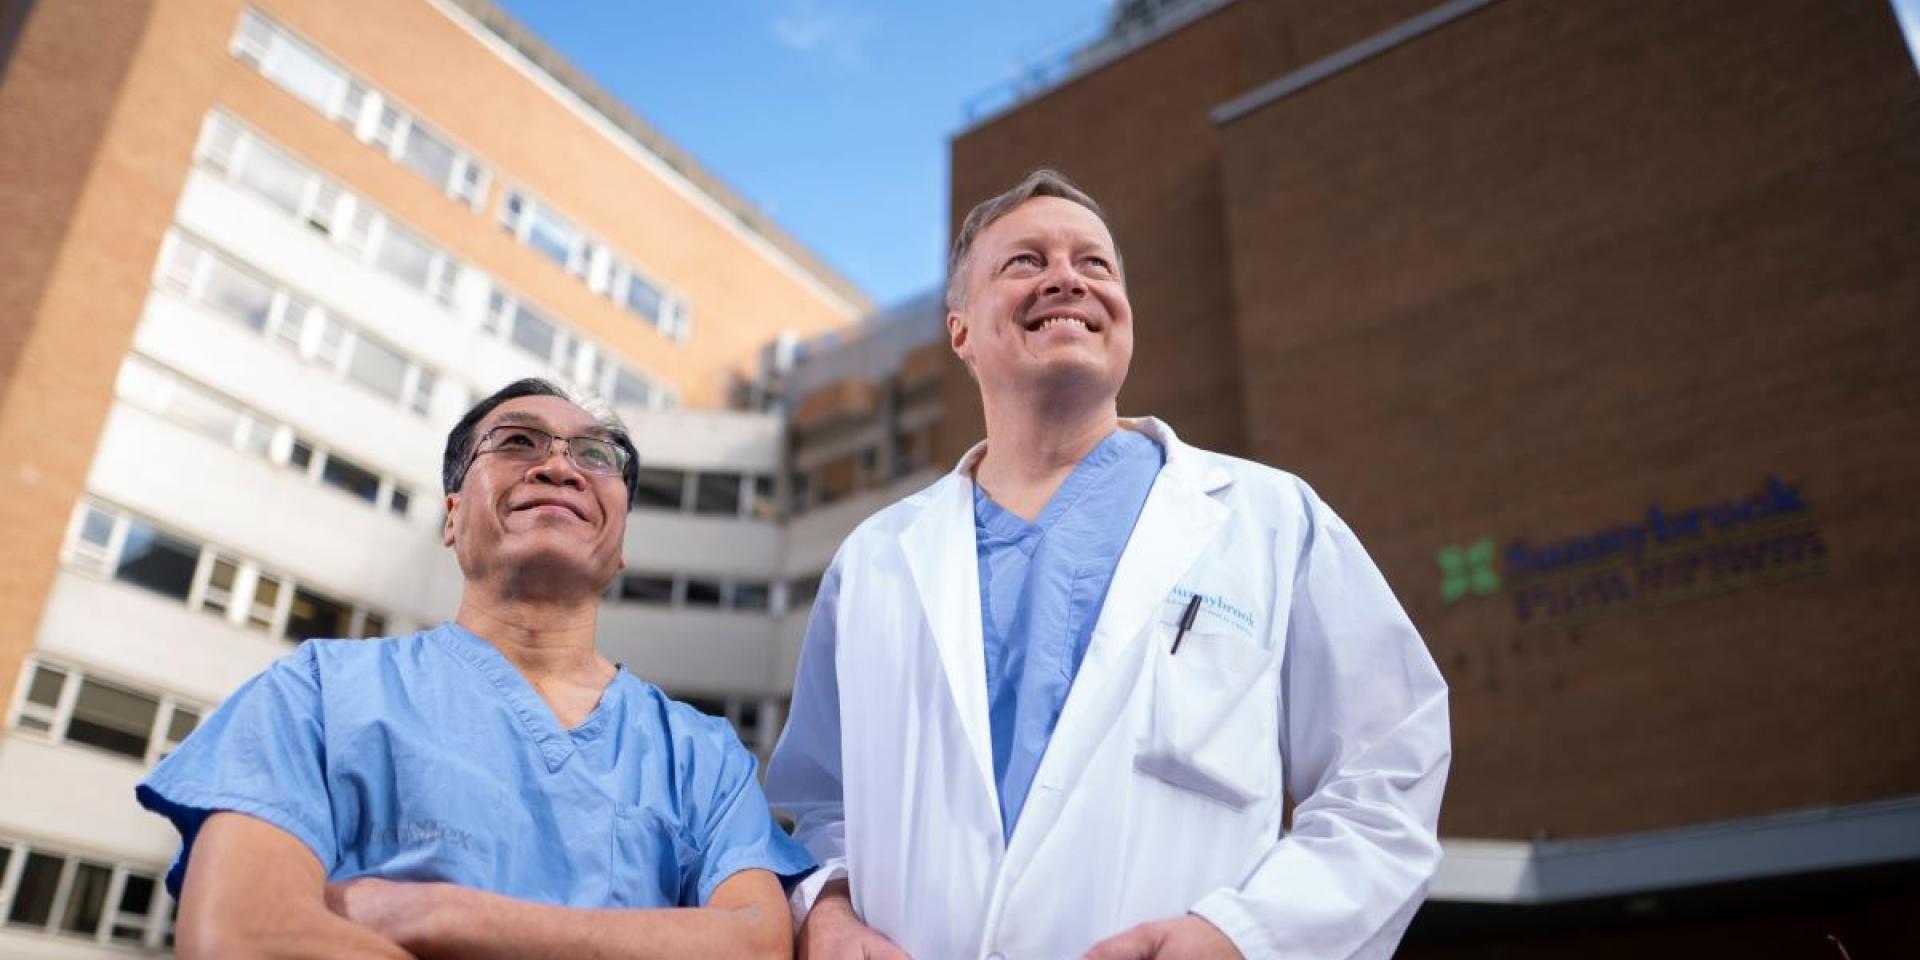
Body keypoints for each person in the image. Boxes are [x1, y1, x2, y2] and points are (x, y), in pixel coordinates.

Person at [765, 170, 1451, 960]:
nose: (1066, 277)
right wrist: (828, 911)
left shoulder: (1270, 521)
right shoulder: (875, 564)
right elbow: (820, 808)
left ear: (1123, 315)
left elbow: (1388, 772)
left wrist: (1245, 937)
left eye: (1094, 264)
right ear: (959, 331)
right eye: (1025, 261)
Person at [137, 378, 812, 960]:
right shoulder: (316, 697)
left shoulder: (702, 758)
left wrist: (428, 916)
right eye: (518, 442)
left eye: (596, 455)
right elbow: (247, 938)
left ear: (621, 540)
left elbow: (755, 944)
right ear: (453, 516)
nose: (559, 466)